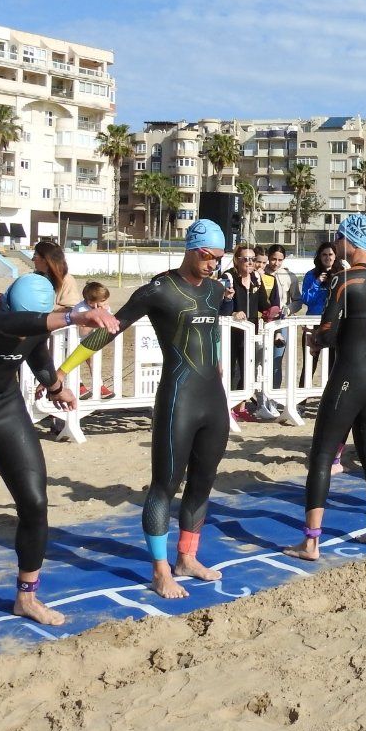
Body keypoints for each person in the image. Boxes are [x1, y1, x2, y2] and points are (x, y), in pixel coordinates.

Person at [0, 274, 119, 650]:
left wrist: (55, 386)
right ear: (7, 304)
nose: (21, 335)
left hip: (5, 410)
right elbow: (9, 325)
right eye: (22, 323)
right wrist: (73, 317)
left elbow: (36, 351)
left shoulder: (34, 323)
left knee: (34, 503)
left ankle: (26, 598)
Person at [57, 219, 231, 598]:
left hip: (213, 399)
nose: (213, 264)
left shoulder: (216, 289)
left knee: (203, 481)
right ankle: (160, 570)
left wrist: (218, 365)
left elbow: (213, 333)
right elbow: (110, 330)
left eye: (218, 258)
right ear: (192, 249)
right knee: (165, 485)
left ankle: (187, 558)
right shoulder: (159, 290)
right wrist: (63, 370)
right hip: (178, 398)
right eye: (208, 257)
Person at [284, 215, 366, 557]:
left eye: (339, 237)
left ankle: (311, 541)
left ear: (351, 241)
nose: (335, 242)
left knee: (321, 454)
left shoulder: (344, 279)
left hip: (350, 376)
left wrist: (314, 340)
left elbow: (328, 332)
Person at [222, 243, 279, 415]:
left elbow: (263, 304)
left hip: (250, 332)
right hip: (230, 333)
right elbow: (219, 307)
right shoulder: (228, 277)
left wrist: (273, 311)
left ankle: (240, 407)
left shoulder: (256, 278)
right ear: (236, 260)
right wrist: (233, 312)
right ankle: (226, 408)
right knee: (230, 370)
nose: (250, 262)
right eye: (245, 259)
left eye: (253, 259)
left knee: (247, 370)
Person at [297, 242, 337, 387]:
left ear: (335, 256)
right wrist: (317, 282)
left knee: (333, 365)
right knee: (309, 364)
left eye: (330, 254)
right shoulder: (311, 275)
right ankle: (302, 398)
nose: (327, 258)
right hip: (313, 323)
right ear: (319, 257)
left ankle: (330, 397)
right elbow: (306, 300)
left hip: (332, 324)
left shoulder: (341, 274)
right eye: (324, 255)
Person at [71, 282, 116, 401]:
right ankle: (79, 385)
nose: (106, 304)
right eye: (103, 302)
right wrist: (96, 317)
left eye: (106, 301)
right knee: (74, 363)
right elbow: (82, 331)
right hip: (74, 341)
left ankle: (99, 386)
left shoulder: (105, 308)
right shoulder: (80, 309)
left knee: (93, 362)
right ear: (91, 303)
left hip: (90, 342)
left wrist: (104, 313)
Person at [264, 244, 294, 389]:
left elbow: (297, 300)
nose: (276, 263)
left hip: (281, 324)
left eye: (280, 260)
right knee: (259, 359)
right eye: (273, 259)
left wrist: (288, 310)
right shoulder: (259, 273)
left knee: (276, 360)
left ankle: (274, 393)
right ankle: (259, 396)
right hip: (262, 322)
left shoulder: (289, 276)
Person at [33, 239, 82, 311]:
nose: (32, 259)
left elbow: (71, 310)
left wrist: (45, 306)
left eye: (35, 255)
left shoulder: (67, 280)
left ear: (45, 259)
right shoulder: (35, 277)